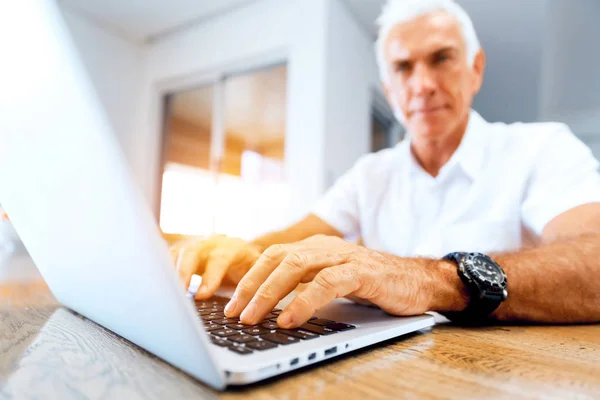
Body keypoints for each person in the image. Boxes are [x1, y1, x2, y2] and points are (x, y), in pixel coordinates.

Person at [170, 0, 600, 328]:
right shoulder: (369, 175)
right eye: (403, 67)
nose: (423, 85)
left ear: (476, 69)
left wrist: (429, 279)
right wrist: (231, 251)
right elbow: (293, 241)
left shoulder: (541, 148)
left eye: (442, 58)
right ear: (389, 90)